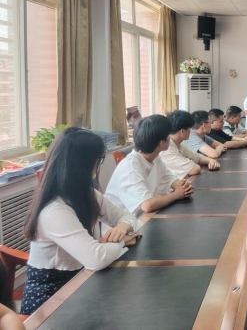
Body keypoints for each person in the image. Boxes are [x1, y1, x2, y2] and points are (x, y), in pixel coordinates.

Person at [21, 128, 138, 315]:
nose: (99, 165)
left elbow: (129, 217)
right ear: (83, 164)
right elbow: (96, 258)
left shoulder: (87, 194)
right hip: (49, 301)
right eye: (99, 159)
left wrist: (124, 226)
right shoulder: (54, 210)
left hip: (80, 281)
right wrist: (122, 241)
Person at [105, 115, 194, 216]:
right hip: (122, 222)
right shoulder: (131, 166)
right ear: (162, 142)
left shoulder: (155, 158)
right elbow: (147, 205)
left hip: (143, 217)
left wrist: (184, 187)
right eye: (168, 135)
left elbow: (170, 179)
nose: (170, 137)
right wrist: (176, 195)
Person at [160, 110, 220, 178]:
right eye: (189, 128)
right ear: (182, 131)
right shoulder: (167, 149)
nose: (191, 131)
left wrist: (210, 160)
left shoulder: (178, 144)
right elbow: (194, 169)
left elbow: (196, 157)